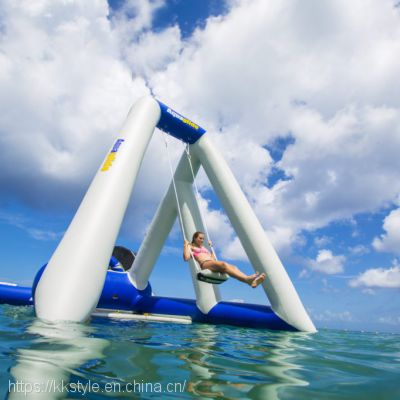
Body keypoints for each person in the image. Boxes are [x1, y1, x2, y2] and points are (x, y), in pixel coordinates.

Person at [183, 231, 266, 288]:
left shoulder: (204, 247)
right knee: (224, 265)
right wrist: (186, 245)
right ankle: (247, 280)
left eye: (203, 239)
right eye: (200, 238)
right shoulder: (191, 246)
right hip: (205, 264)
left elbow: (213, 259)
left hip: (212, 263)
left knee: (234, 267)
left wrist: (211, 248)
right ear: (194, 238)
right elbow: (186, 258)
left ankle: (250, 281)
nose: (202, 240)